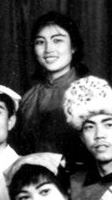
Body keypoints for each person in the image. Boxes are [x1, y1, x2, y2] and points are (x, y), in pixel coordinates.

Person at [13, 11, 88, 163]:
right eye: (40, 42)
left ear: (73, 47)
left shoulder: (92, 92)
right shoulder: (28, 98)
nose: (48, 49)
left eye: (57, 40)